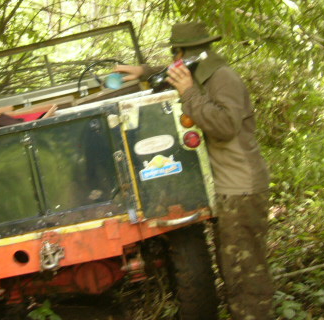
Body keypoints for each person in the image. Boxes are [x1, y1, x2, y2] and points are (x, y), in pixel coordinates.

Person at [115, 21, 274, 320]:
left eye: (176, 54)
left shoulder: (222, 78)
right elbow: (173, 71)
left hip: (241, 189)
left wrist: (188, 93)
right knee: (233, 271)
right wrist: (144, 71)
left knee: (245, 278)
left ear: (182, 52)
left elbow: (225, 126)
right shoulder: (204, 70)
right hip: (230, 189)